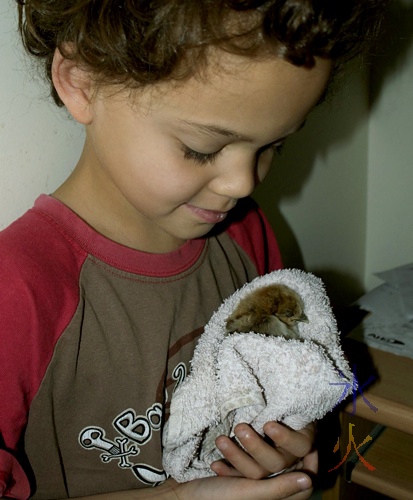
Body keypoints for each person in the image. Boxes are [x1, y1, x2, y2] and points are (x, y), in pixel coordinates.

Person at [0, 1, 386, 498]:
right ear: (82, 81)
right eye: (202, 148)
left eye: (274, 146)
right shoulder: (19, 290)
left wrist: (290, 442)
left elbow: (283, 391)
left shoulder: (247, 238)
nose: (243, 183)